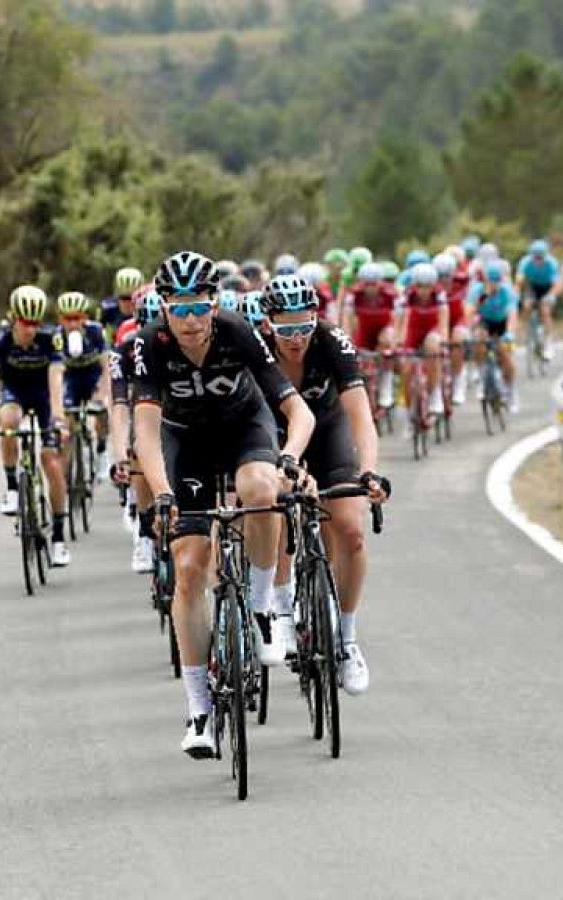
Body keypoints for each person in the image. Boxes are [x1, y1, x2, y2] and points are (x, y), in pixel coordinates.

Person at [124, 251, 315, 758]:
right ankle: (199, 710)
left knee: (259, 490)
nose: (190, 320)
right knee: (189, 567)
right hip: (184, 442)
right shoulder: (146, 345)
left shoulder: (236, 330)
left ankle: (258, 610)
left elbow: (296, 410)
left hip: (242, 430)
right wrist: (161, 493)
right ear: (163, 307)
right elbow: (144, 431)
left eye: (199, 308)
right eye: (178, 308)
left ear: (214, 303)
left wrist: (290, 457)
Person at [258, 274, 388, 695]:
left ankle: (347, 639)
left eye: (304, 325)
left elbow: (361, 419)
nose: (296, 338)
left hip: (329, 432)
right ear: (268, 323)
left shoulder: (333, 342)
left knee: (350, 530)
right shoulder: (255, 351)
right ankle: (279, 606)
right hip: (274, 437)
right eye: (286, 328)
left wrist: (368, 473)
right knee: (274, 507)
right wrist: (288, 468)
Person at [0, 286, 73, 567]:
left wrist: (57, 418)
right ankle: (11, 488)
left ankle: (57, 537)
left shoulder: (50, 339)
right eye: (24, 323)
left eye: (35, 323)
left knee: (51, 462)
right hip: (14, 393)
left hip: (44, 397)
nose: (30, 329)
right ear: (13, 318)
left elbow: (57, 381)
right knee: (8, 421)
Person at [109, 290, 163, 572]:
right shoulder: (124, 352)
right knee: (140, 452)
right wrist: (120, 456)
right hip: (144, 409)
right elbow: (118, 406)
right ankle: (144, 530)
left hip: (179, 411)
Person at [55, 291, 111, 459]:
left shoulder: (96, 332)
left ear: (85, 317)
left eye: (77, 318)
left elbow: (107, 366)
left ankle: (101, 449)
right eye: (67, 319)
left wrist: (102, 395)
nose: (72, 324)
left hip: (93, 376)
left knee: (102, 412)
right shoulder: (55, 336)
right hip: (70, 379)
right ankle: (69, 464)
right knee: (67, 421)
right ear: (60, 319)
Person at [399, 262, 449, 420]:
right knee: (406, 370)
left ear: (433, 285)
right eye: (420, 286)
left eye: (427, 286)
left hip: (432, 329)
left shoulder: (439, 294)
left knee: (433, 347)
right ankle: (409, 413)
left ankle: (435, 396)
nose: (423, 291)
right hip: (413, 330)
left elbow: (443, 317)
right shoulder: (408, 294)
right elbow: (402, 318)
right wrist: (399, 341)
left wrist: (444, 340)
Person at [472, 258, 520, 412]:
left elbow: (512, 314)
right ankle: (481, 376)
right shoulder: (477, 291)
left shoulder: (507, 292)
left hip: (502, 324)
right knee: (479, 339)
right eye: (490, 282)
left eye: (496, 282)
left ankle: (511, 391)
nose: (493, 286)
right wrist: (484, 296)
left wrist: (510, 333)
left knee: (505, 356)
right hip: (484, 322)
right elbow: (469, 311)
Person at [435, 252, 472, 405]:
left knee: (458, 340)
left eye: (447, 276)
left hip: (457, 320)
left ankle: (458, 380)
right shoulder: (430, 285)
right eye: (440, 276)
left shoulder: (463, 280)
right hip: (438, 322)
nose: (444, 280)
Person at [516, 239, 561, 359]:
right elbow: (519, 280)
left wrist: (551, 296)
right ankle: (524, 330)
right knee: (527, 304)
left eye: (541, 258)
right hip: (532, 287)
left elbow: (557, 284)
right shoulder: (525, 262)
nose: (538, 260)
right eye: (535, 258)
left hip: (547, 288)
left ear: (545, 256)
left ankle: (548, 340)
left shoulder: (552, 263)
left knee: (545, 309)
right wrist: (516, 293)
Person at [101, 267, 142, 334]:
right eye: (123, 298)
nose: (127, 303)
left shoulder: (148, 309)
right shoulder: (108, 308)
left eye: (133, 298)